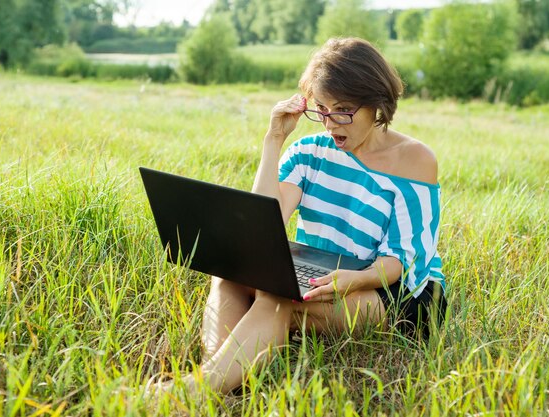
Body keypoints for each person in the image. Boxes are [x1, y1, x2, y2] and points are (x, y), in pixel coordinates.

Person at [147, 37, 446, 396]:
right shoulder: (308, 152)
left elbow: (398, 261)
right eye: (320, 109)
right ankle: (224, 375)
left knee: (278, 300)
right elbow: (261, 226)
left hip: (392, 291)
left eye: (343, 109)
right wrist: (272, 141)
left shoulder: (415, 160)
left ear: (376, 102)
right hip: (323, 271)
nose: (330, 123)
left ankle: (199, 389)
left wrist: (353, 279)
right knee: (228, 275)